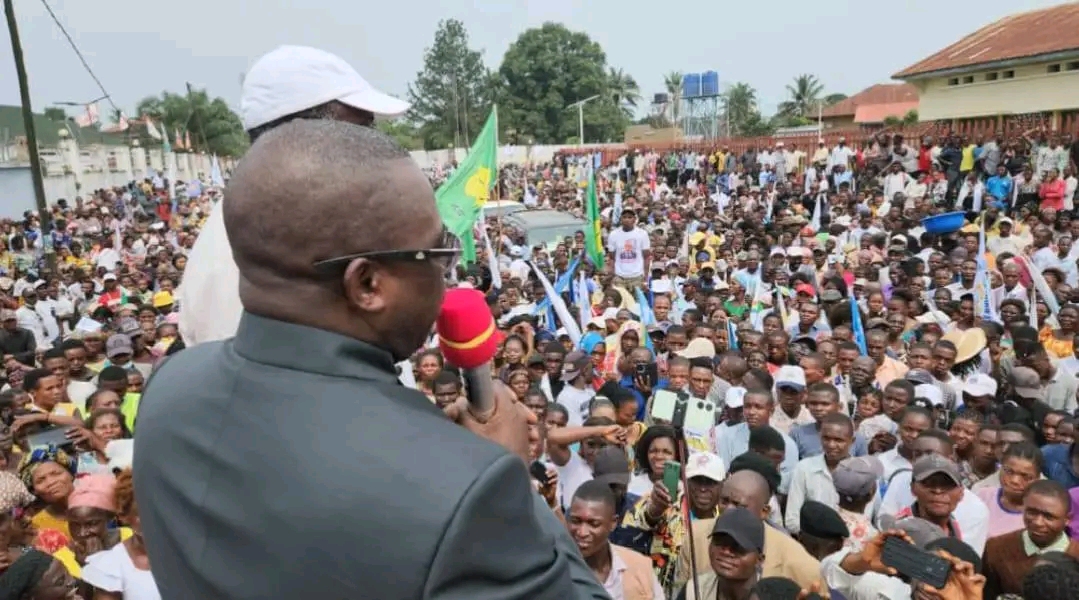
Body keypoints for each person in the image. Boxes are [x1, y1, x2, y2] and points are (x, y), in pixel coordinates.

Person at [133, 121, 607, 598]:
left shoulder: (170, 387)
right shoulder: (468, 490)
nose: (448, 275)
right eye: (436, 253)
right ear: (367, 285)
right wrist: (511, 477)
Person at [178, 44, 409, 346]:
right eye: (359, 130)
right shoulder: (249, 239)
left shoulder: (283, 216)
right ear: (299, 134)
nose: (371, 144)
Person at [566, 480, 664, 599]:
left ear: (613, 523)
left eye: (594, 524)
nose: (582, 532)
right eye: (576, 521)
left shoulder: (640, 567)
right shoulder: (557, 571)